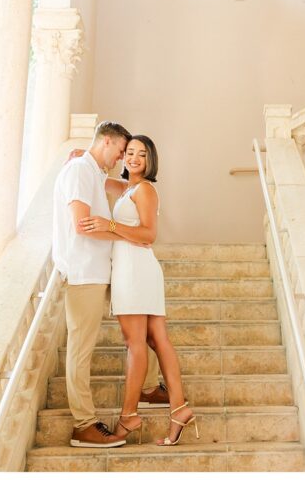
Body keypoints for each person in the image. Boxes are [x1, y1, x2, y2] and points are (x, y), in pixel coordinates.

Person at [79, 135, 199, 446]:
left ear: (150, 160)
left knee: (135, 344)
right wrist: (85, 156)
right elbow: (103, 181)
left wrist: (111, 226)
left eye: (140, 154)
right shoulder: (128, 189)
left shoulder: (145, 189)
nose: (133, 158)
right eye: (129, 152)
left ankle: (129, 415)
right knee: (157, 339)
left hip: (136, 269)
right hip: (137, 269)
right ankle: (179, 409)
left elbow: (148, 235)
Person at [53, 120, 161, 449]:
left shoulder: (92, 171)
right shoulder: (79, 172)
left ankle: (148, 384)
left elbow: (115, 185)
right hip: (85, 272)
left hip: (106, 268)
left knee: (141, 327)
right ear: (107, 141)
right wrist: (122, 231)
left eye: (133, 153)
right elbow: (83, 226)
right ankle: (83, 424)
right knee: (81, 349)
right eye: (121, 150)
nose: (122, 158)